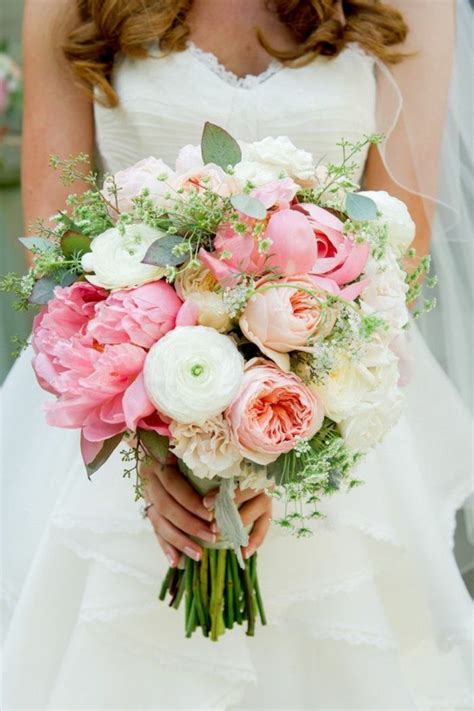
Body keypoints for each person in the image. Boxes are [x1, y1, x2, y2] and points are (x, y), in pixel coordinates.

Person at [1, 1, 472, 708]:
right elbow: (55, 238)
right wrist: (158, 443)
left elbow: (394, 248)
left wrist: (272, 437)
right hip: (122, 402)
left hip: (330, 402)